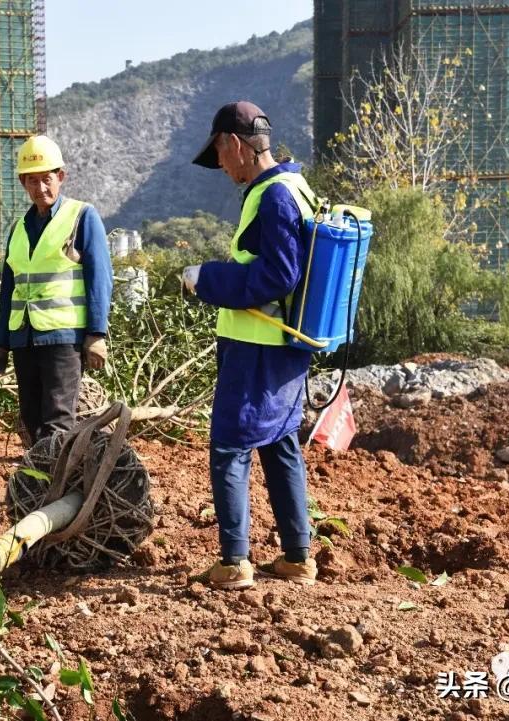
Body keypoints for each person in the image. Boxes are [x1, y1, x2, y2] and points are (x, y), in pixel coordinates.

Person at [184, 101, 319, 590]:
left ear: (235, 145)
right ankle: (297, 556)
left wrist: (207, 279)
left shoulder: (274, 197)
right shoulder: (296, 188)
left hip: (258, 345)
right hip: (285, 345)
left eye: (220, 153)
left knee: (229, 445)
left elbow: (279, 274)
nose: (220, 165)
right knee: (280, 442)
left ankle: (235, 561)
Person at [0, 135, 113, 442]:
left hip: (63, 338)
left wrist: (96, 335)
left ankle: (56, 487)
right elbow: (9, 291)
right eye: (32, 181)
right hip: (24, 337)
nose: (40, 188)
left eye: (47, 179)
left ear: (61, 176)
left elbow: (100, 277)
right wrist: (0, 342)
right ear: (22, 183)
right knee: (31, 419)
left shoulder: (82, 217)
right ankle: (38, 485)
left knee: (57, 420)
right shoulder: (18, 229)